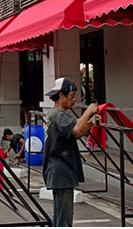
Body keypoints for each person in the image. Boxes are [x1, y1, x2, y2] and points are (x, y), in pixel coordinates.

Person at [43, 78, 100, 227]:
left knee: (60, 215)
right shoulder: (58, 115)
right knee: (64, 218)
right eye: (72, 95)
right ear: (61, 95)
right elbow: (75, 129)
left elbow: (76, 134)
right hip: (60, 170)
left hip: (59, 171)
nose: (74, 99)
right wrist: (88, 112)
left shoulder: (56, 114)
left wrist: (90, 123)